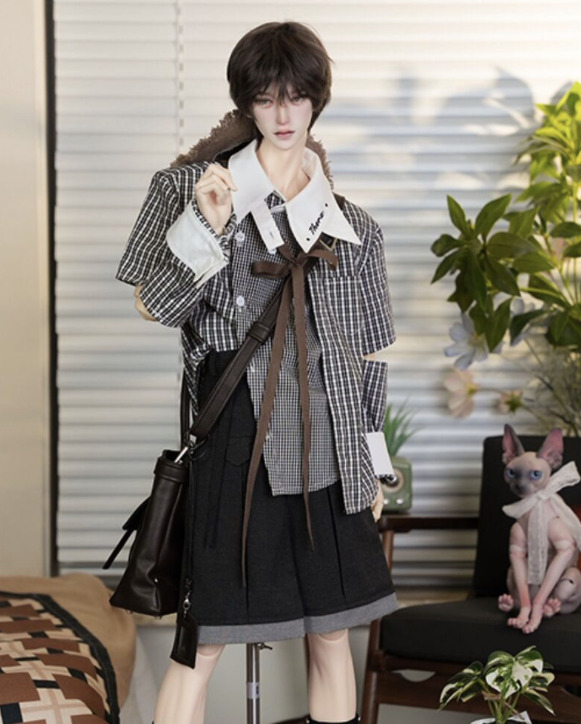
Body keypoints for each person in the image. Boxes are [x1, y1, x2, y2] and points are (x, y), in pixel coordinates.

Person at [117, 21, 397, 724]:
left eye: (296, 97)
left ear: (315, 101)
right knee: (203, 638)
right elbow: (154, 304)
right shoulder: (186, 189)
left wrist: (374, 468)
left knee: (332, 631)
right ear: (247, 102)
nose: (282, 114)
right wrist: (207, 226)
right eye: (267, 98)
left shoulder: (354, 228)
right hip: (234, 431)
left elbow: (364, 359)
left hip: (331, 437)